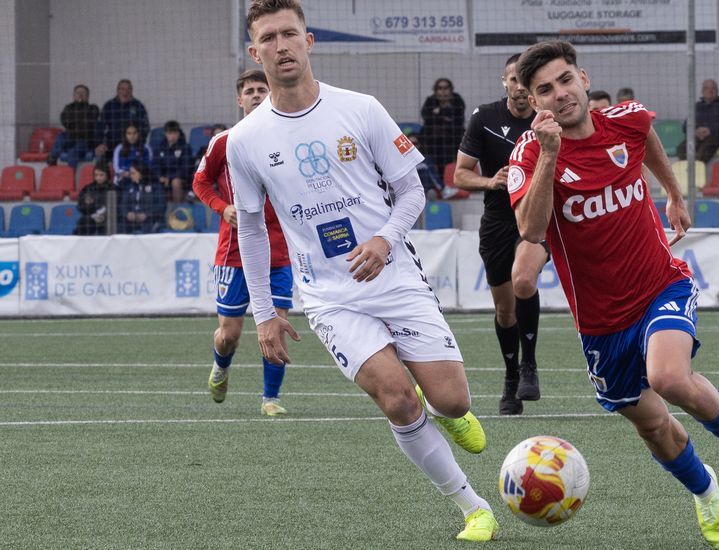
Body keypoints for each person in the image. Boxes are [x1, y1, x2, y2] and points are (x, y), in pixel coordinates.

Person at [227, 1, 498, 541]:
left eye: (289, 34)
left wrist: (384, 238)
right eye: (268, 39)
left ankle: (444, 407)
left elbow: (411, 190)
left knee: (452, 400)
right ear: (255, 53)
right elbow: (252, 230)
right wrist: (265, 314)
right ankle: (473, 507)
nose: (281, 46)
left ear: (309, 41)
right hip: (329, 295)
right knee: (396, 397)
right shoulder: (244, 140)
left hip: (394, 275)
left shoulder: (361, 108)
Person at [510, 40, 719, 550]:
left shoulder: (627, 121)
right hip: (601, 322)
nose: (560, 94)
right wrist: (550, 154)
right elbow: (530, 228)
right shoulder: (530, 153)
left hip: (661, 283)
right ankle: (705, 493)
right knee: (654, 427)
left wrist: (674, 194)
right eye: (544, 90)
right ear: (532, 102)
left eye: (566, 80)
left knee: (668, 376)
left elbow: (649, 140)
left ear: (584, 78)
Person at [192, 69, 293, 417]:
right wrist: (223, 208)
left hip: (279, 254)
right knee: (229, 334)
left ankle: (271, 399)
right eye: (248, 90)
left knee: (276, 324)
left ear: (271, 92)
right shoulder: (224, 141)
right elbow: (201, 182)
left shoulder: (288, 138)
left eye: (261, 89)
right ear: (239, 100)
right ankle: (221, 365)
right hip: (233, 253)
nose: (255, 94)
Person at [453, 54, 548, 415]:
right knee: (504, 311)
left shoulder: (547, 120)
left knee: (524, 280)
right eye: (513, 80)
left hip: (536, 220)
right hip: (496, 219)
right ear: (504, 82)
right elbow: (460, 175)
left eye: (525, 80)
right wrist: (490, 180)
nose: (519, 87)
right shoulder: (485, 118)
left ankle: (530, 366)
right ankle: (511, 378)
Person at [677, 79, 719, 162]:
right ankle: (687, 171)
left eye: (713, 88)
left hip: (716, 138)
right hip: (697, 137)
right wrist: (696, 130)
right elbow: (685, 126)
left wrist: (710, 130)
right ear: (702, 91)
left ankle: (695, 171)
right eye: (706, 88)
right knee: (681, 149)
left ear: (717, 91)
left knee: (702, 151)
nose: (710, 90)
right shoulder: (696, 106)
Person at [420, 78, 466, 172]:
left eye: (446, 88)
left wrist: (437, 113)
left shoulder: (457, 100)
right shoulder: (430, 100)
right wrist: (445, 115)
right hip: (433, 141)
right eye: (440, 88)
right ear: (436, 91)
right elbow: (426, 116)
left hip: (453, 139)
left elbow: (458, 119)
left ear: (451, 89)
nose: (443, 91)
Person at [97, 79, 150, 159]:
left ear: (132, 91)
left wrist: (138, 142)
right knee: (99, 156)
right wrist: (100, 143)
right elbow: (100, 127)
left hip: (133, 145)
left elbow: (145, 127)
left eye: (128, 89)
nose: (125, 91)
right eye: (122, 89)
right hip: (111, 145)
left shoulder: (138, 106)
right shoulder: (108, 106)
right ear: (117, 90)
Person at [49, 84, 100, 167]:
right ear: (73, 95)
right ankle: (52, 159)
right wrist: (82, 119)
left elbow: (88, 125)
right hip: (69, 138)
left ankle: (70, 178)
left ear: (88, 96)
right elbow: (65, 121)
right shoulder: (68, 107)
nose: (80, 95)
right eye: (78, 93)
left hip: (84, 140)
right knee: (60, 136)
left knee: (72, 153)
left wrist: (74, 121)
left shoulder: (93, 108)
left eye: (83, 93)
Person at [118, 161, 166, 234]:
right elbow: (123, 204)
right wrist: (127, 214)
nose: (131, 175)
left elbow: (161, 205)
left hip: (150, 219)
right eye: (130, 173)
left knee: (148, 227)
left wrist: (147, 214)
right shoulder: (129, 186)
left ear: (141, 173)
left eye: (133, 173)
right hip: (132, 219)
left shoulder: (156, 186)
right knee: (121, 226)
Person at [153, 120, 194, 202]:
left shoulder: (185, 147)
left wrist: (169, 178)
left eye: (175, 133)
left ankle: (177, 211)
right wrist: (160, 176)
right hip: (163, 177)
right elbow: (155, 164)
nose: (172, 136)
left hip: (181, 178)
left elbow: (185, 169)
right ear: (165, 134)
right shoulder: (160, 147)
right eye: (170, 133)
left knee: (175, 182)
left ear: (179, 133)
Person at [74, 161, 114, 236]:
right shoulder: (88, 188)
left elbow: (116, 208)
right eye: (96, 175)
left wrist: (104, 216)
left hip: (108, 220)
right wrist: (87, 204)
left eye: (101, 175)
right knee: (83, 221)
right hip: (90, 219)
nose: (98, 178)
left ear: (107, 175)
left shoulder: (113, 189)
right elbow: (80, 206)